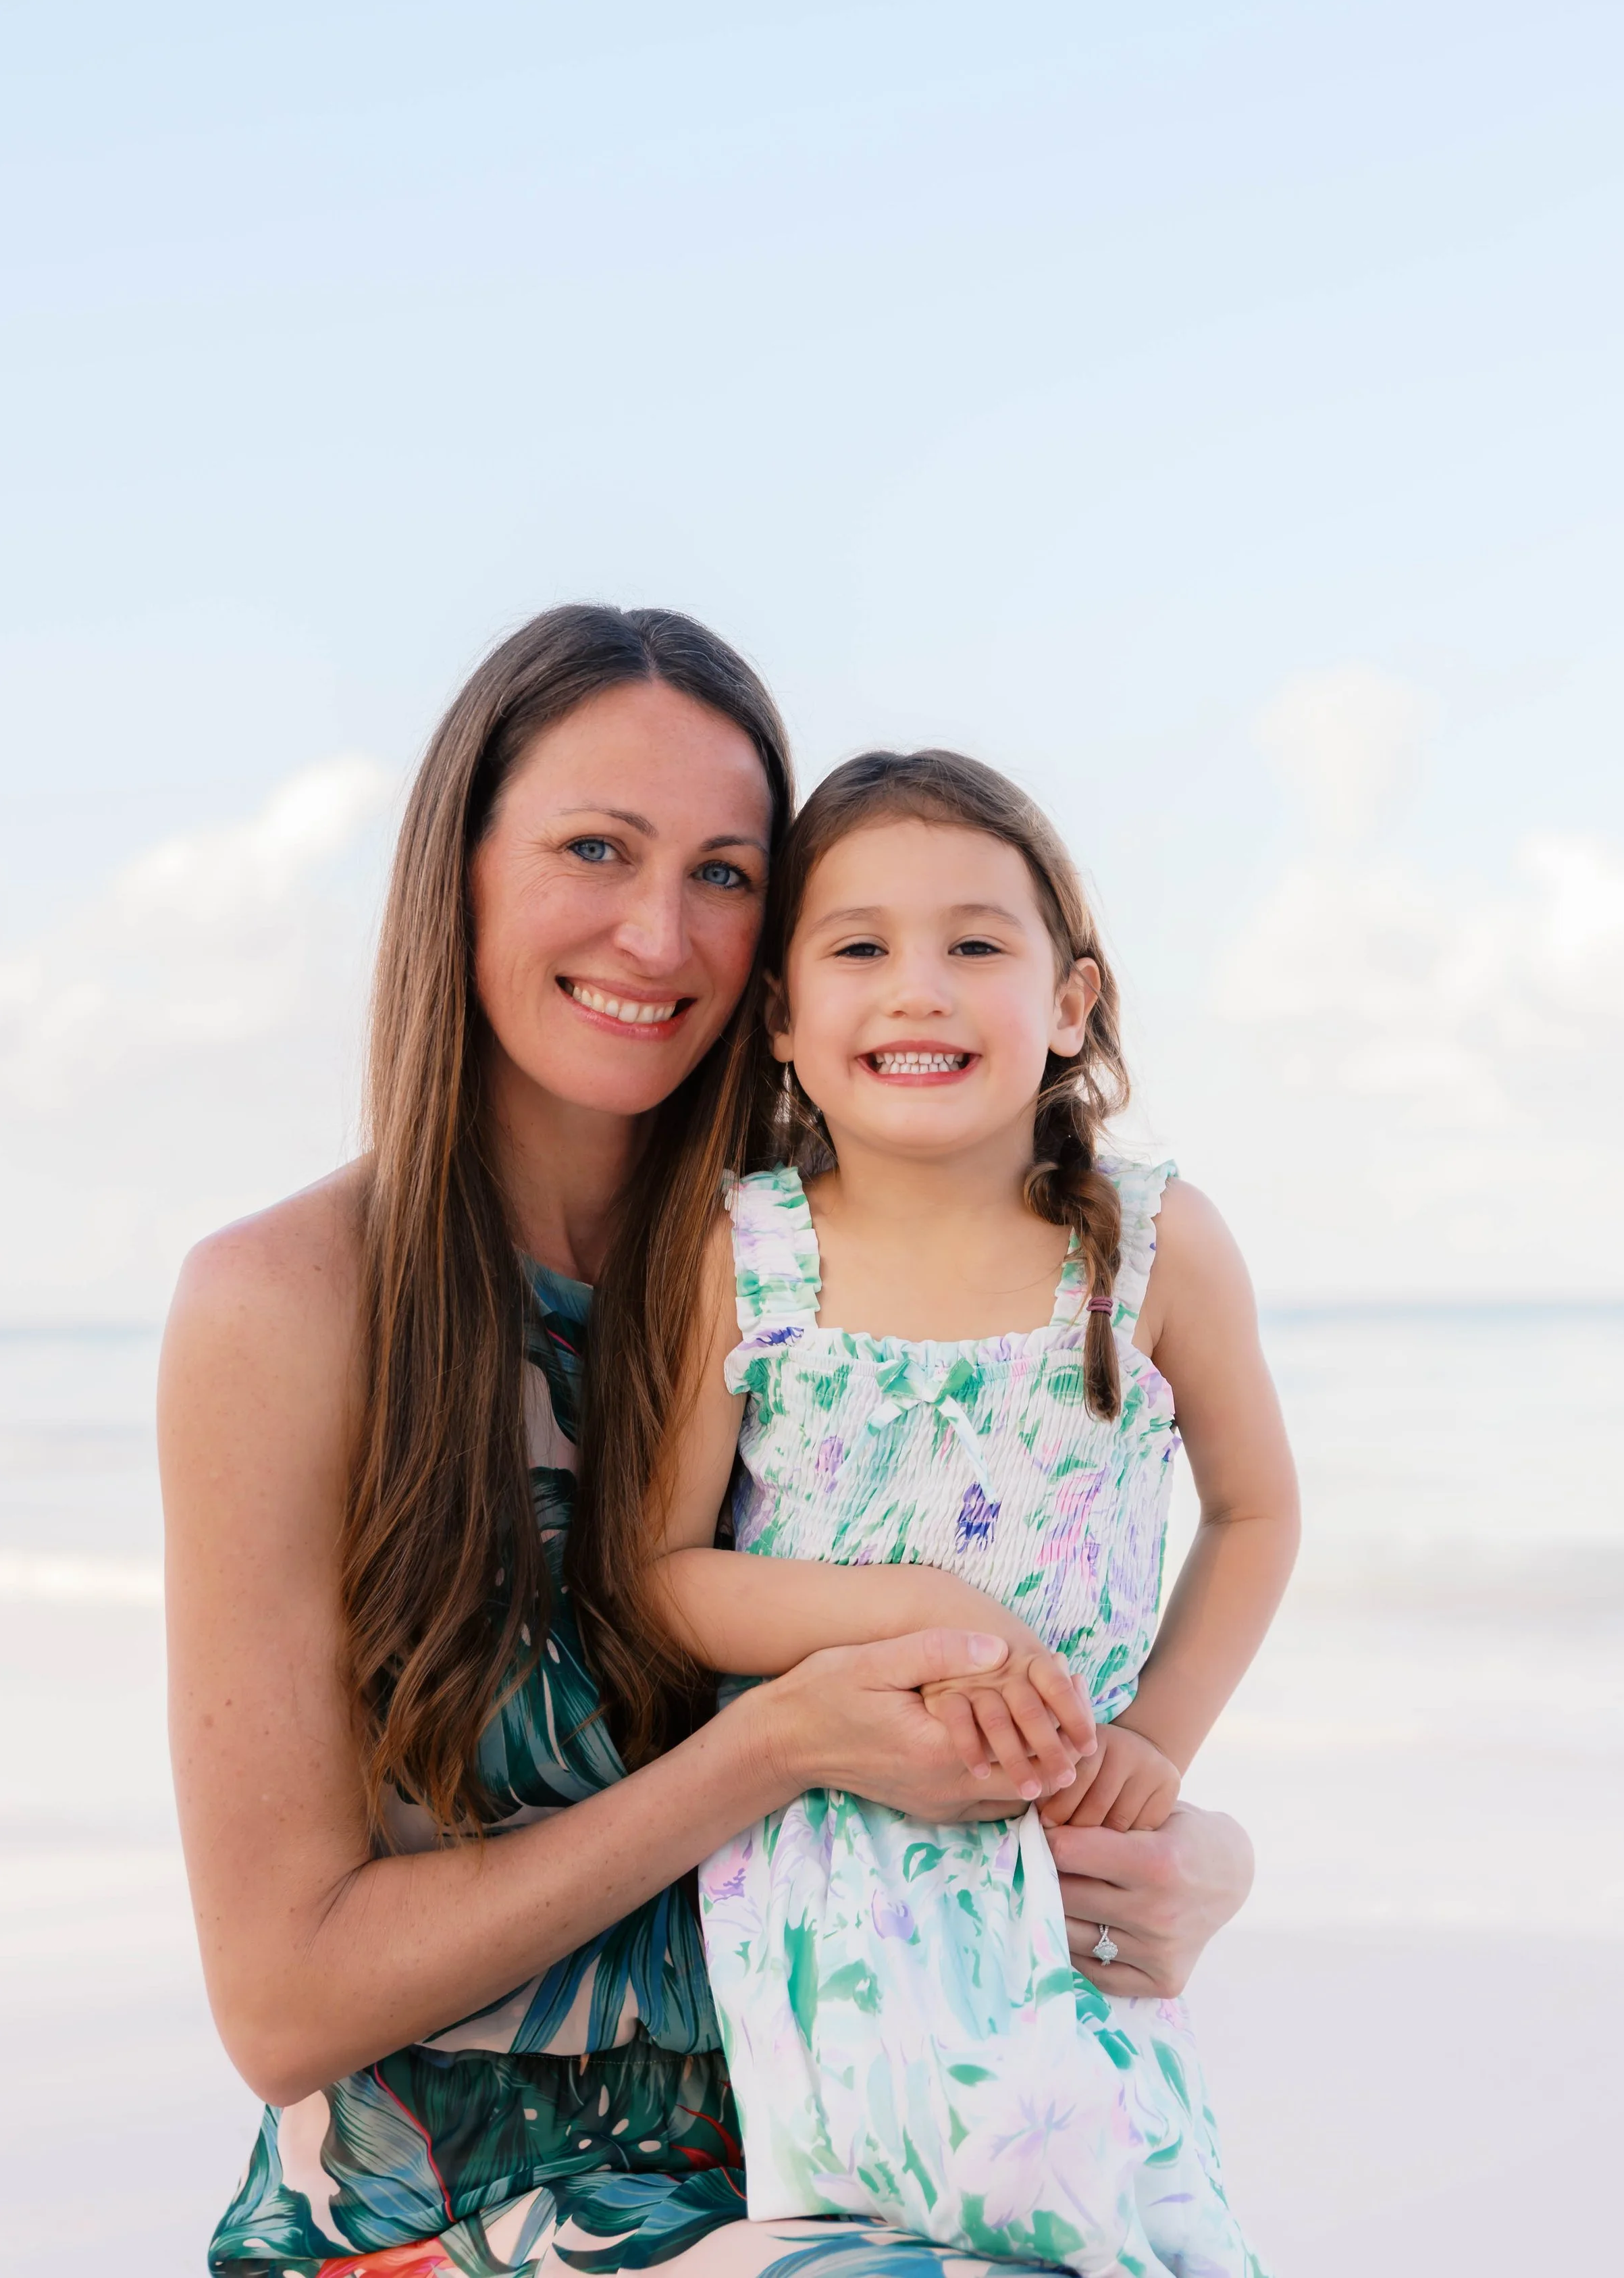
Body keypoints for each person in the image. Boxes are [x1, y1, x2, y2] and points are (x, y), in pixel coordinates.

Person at [160, 606, 1257, 2278]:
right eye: (595, 848)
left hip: (857, 2134)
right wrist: (768, 1751)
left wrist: (1185, 1858)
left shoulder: (834, 1261)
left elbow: (1087, 1595)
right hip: (469, 2193)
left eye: (729, 874)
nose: (658, 933)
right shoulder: (287, 1307)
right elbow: (280, 2000)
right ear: (455, 870)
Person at [637, 750, 1299, 2277]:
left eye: (974, 946)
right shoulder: (744, 1252)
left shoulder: (1151, 1245)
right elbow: (662, 1575)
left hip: (1055, 1862)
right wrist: (912, 1611)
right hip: (816, 1873)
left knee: (1126, 2224)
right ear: (785, 1021)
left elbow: (1256, 1513)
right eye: (859, 948)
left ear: (1069, 1004)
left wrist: (1154, 1749)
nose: (916, 990)